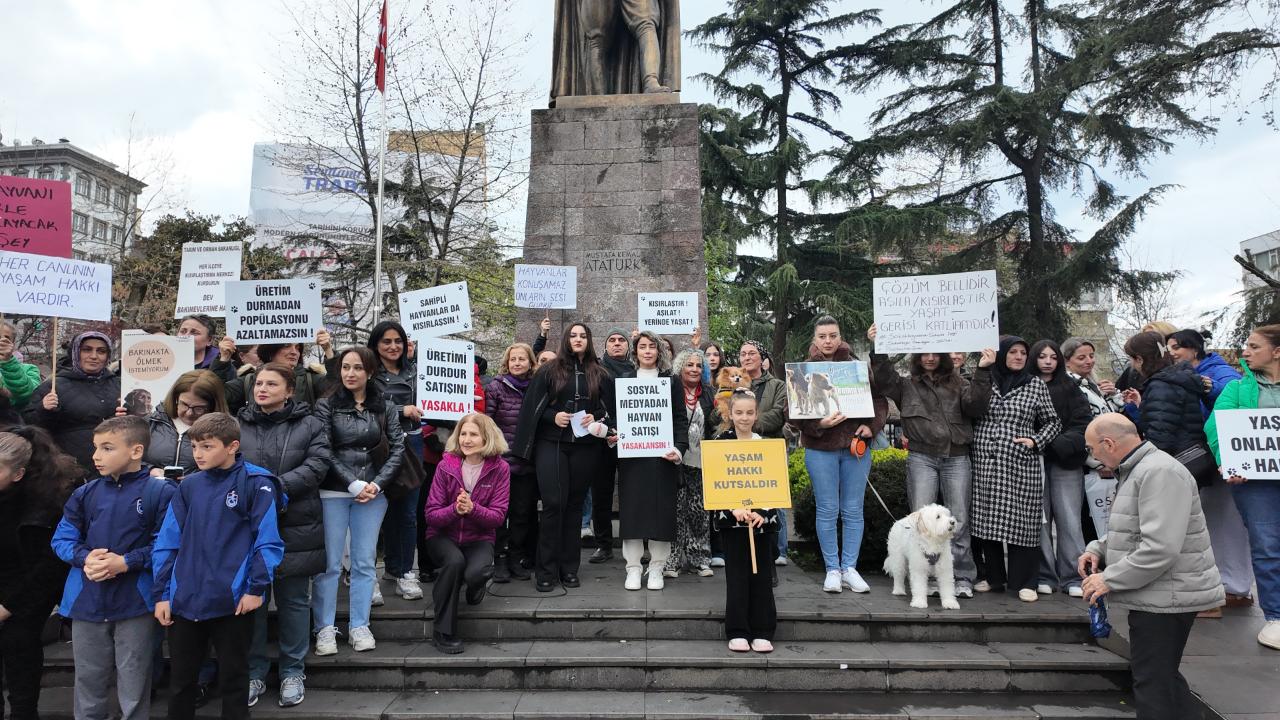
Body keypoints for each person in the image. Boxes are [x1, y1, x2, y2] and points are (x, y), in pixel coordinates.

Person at [1079, 413, 1223, 719]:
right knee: (1162, 679)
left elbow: (1160, 547)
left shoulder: (1158, 472)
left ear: (1108, 443)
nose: (1093, 456)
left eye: (1092, 449)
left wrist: (1108, 579)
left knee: (1153, 683)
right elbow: (1132, 528)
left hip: (1168, 597)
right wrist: (1098, 549)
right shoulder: (1142, 469)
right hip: (1161, 593)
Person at [152, 412, 284, 720]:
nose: (198, 454)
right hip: (186, 599)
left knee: (234, 680)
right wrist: (162, 594)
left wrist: (255, 588)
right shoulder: (188, 486)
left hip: (232, 600)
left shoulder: (257, 483)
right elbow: (167, 541)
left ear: (232, 446)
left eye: (207, 446)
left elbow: (268, 541)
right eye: (194, 447)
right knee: (181, 682)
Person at [51, 416, 175, 720]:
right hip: (87, 600)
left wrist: (126, 562)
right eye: (95, 447)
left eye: (107, 448)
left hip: (136, 601)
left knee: (134, 681)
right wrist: (85, 558)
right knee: (88, 680)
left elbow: (168, 544)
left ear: (136, 451)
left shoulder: (161, 492)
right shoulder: (85, 493)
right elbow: (62, 538)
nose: (96, 456)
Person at [869, 325, 994, 598]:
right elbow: (884, 380)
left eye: (935, 353)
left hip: (956, 456)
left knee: (958, 519)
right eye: (924, 353)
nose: (929, 357)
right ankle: (925, 579)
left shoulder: (960, 383)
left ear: (943, 356)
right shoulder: (906, 385)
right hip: (921, 457)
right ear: (917, 356)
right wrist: (878, 347)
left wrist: (984, 370)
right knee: (921, 522)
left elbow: (976, 407)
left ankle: (962, 577)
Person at [238, 362, 330, 708]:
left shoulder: (311, 424)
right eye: (258, 383)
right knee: (253, 601)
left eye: (271, 384)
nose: (261, 389)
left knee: (293, 602)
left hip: (296, 522)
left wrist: (274, 488)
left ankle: (293, 670)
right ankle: (254, 672)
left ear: (289, 391)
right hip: (247, 524)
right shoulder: (238, 423)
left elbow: (317, 465)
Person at [313, 347, 405, 654]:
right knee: (330, 564)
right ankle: (324, 628)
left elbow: (398, 449)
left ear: (370, 372)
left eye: (357, 368)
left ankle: (359, 625)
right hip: (334, 491)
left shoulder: (385, 406)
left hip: (373, 493)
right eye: (345, 367)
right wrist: (352, 484)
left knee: (365, 562)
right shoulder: (326, 405)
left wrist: (376, 485)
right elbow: (323, 449)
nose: (350, 373)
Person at [513, 323, 615, 592]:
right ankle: (545, 569)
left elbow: (609, 411)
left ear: (589, 340)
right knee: (553, 503)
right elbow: (532, 407)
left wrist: (596, 417)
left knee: (574, 506)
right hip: (552, 444)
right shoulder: (549, 370)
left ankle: (569, 568)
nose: (578, 339)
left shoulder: (600, 373)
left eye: (583, 336)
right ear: (566, 340)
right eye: (573, 335)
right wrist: (552, 416)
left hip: (586, 447)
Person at [796, 318, 887, 593]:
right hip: (820, 448)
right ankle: (832, 569)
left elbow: (879, 400)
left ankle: (850, 567)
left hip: (854, 448)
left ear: (840, 337)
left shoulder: (857, 365)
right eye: (822, 336)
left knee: (853, 509)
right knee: (827, 509)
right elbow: (793, 410)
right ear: (815, 339)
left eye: (833, 335)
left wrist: (871, 426)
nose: (828, 341)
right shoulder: (803, 369)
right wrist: (819, 424)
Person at [1167, 329, 1254, 615]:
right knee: (1215, 521)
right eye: (1169, 348)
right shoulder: (1190, 372)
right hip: (1211, 457)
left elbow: (1232, 407)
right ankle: (1227, 585)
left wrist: (1209, 388)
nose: (1172, 353)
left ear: (1194, 348)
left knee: (1225, 523)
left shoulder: (1219, 372)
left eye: (1177, 347)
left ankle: (1233, 587)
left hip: (1220, 461)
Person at [1204, 324, 1280, 650]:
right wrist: (1229, 461)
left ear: (1277, 351)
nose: (1245, 352)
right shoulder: (1236, 388)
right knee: (1266, 545)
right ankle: (1276, 617)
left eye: (1254, 346)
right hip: (1254, 482)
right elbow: (1216, 427)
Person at [970, 336, 1062, 601]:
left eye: (1023, 352)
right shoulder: (986, 380)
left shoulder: (1034, 385)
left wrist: (1035, 441)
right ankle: (994, 577)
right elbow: (971, 410)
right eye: (1013, 352)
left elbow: (1052, 422)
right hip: (985, 461)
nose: (1019, 356)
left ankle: (1025, 582)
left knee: (1022, 522)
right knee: (986, 521)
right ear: (1001, 355)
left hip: (1020, 462)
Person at [0, 428, 76, 720]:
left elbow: (47, 567)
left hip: (28, 589)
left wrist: (9, 606)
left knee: (18, 644)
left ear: (18, 474)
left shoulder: (44, 505)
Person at [423, 413, 511, 654]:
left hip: (479, 537)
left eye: (473, 434)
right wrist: (455, 509)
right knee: (454, 562)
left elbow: (497, 517)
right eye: (463, 434)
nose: (466, 440)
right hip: (442, 535)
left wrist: (473, 509)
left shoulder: (501, 469)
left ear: (487, 438)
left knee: (476, 572)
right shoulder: (445, 465)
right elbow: (431, 514)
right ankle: (443, 631)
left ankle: (475, 586)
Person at [615, 331, 689, 591]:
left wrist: (679, 449)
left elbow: (680, 418)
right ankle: (633, 568)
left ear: (659, 351)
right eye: (642, 347)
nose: (647, 351)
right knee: (632, 515)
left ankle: (657, 567)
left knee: (661, 516)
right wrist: (614, 434)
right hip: (632, 460)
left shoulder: (671, 381)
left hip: (662, 459)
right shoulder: (624, 380)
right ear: (635, 352)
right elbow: (617, 418)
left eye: (652, 347)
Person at [713, 390, 778, 653]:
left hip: (760, 521)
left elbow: (772, 482)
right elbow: (717, 480)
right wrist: (734, 507)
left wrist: (761, 511)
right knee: (737, 576)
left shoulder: (765, 444)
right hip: (733, 522)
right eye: (739, 412)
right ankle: (738, 630)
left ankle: (763, 630)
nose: (744, 417)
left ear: (756, 414)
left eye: (750, 412)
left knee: (762, 576)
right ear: (730, 413)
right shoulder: (721, 443)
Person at [1029, 340, 1093, 598]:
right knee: (1039, 521)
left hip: (1066, 461)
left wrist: (1055, 444)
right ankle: (1044, 574)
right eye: (1042, 356)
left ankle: (1074, 576)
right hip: (1033, 462)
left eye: (1053, 357)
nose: (1047, 361)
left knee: (1069, 520)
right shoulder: (1025, 386)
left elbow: (1083, 422)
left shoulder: (1071, 387)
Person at [366, 322, 425, 600]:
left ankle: (403, 571)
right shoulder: (368, 373)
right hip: (378, 446)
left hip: (411, 444)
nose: (393, 346)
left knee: (408, 513)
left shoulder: (416, 371)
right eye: (386, 341)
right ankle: (369, 576)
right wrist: (402, 409)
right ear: (375, 344)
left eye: (397, 341)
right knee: (376, 511)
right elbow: (364, 403)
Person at [26, 331, 123, 477]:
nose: (94, 356)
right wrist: (44, 410)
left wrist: (127, 414)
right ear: (75, 353)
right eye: (87, 350)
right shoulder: (53, 386)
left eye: (101, 351)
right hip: (70, 470)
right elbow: (29, 427)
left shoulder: (118, 384)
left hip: (114, 467)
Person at [485, 343, 538, 583]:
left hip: (526, 462)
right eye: (513, 359)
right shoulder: (496, 387)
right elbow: (487, 423)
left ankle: (516, 557)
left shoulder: (536, 387)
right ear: (507, 362)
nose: (517, 363)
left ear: (530, 362)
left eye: (522, 359)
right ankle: (500, 558)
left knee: (522, 513)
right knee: (499, 514)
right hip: (501, 463)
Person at [663, 347, 716, 578]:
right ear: (680, 367)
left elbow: (716, 423)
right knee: (674, 511)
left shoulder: (710, 393)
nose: (694, 369)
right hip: (674, 459)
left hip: (702, 461)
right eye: (689, 365)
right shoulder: (669, 389)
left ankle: (699, 559)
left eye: (698, 366)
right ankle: (671, 560)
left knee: (699, 511)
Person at [736, 340, 788, 567]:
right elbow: (722, 413)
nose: (747, 357)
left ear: (762, 358)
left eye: (752, 353)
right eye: (743, 354)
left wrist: (745, 423)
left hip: (768, 449)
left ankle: (780, 550)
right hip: (739, 452)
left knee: (773, 500)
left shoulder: (777, 385)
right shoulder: (733, 384)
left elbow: (778, 415)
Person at [1119, 331, 1208, 459]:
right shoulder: (1175, 378)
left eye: (1131, 359)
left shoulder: (1161, 385)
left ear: (1140, 359)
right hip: (1194, 453)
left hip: (1180, 459)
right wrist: (1140, 406)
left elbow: (1160, 438)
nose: (1131, 364)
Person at [589, 326, 636, 563]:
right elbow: (592, 402)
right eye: (612, 340)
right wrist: (608, 428)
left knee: (633, 493)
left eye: (621, 340)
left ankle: (634, 544)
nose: (617, 343)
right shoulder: (595, 370)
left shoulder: (637, 371)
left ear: (628, 346)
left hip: (633, 439)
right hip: (603, 439)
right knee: (601, 493)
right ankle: (603, 544)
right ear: (605, 345)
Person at [217, 333, 334, 413]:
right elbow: (218, 395)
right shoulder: (249, 380)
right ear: (271, 350)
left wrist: (328, 351)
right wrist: (223, 359)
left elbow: (337, 388)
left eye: (298, 347)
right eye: (287, 346)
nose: (294, 352)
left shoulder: (310, 379)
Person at [145, 370, 230, 478]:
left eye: (198, 408)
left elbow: (227, 468)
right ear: (175, 398)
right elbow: (130, 460)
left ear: (213, 407)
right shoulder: (152, 422)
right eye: (184, 404)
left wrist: (196, 479)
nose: (189, 413)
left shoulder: (225, 430)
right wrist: (150, 470)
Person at [1061, 338, 1124, 417]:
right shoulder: (1067, 388)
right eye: (1081, 358)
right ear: (1066, 361)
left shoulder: (1092, 385)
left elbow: (1110, 414)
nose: (1089, 361)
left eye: (1091, 356)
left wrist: (1113, 395)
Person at [0, 320, 41, 416]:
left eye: (6, 338)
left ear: (13, 345)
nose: (1, 342)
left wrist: (8, 362)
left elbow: (28, 394)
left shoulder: (30, 370)